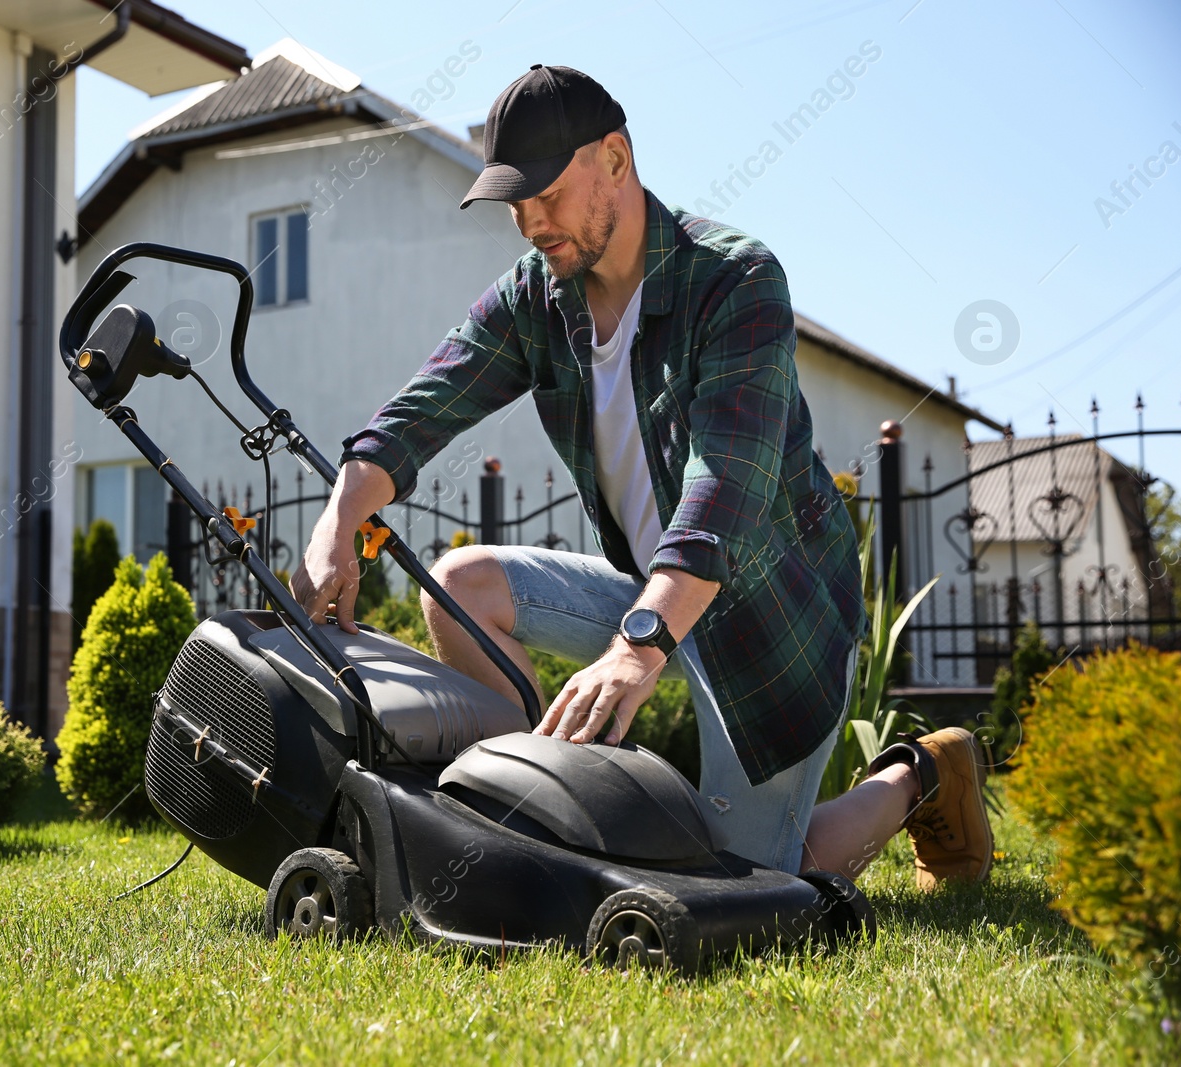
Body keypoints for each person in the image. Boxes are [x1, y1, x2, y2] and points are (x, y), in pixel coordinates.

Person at [290, 64, 992, 889]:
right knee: (461, 584)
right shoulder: (537, 296)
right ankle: (531, 799)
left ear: (616, 161)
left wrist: (641, 643)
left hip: (772, 621)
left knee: (750, 886)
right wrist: (340, 519)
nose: (530, 221)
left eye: (546, 192)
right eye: (514, 202)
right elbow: (424, 407)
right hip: (644, 594)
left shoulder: (735, 281)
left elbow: (723, 490)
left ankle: (922, 773)